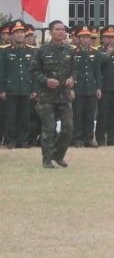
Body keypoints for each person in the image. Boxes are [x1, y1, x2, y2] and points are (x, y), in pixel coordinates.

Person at [33, 20, 75, 168]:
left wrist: (72, 80)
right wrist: (45, 81)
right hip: (47, 97)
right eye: (57, 29)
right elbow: (33, 71)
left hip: (64, 95)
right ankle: (47, 159)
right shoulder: (41, 51)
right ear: (50, 32)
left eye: (63, 30)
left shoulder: (70, 50)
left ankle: (58, 155)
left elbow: (75, 70)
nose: (61, 32)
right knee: (48, 129)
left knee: (68, 127)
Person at [3, 21, 37, 148]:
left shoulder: (31, 51)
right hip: (11, 89)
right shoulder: (4, 52)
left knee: (24, 116)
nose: (19, 35)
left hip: (26, 88)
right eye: (17, 33)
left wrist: (34, 89)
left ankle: (23, 140)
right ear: (12, 35)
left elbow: (34, 72)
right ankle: (11, 140)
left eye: (22, 32)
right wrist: (2, 90)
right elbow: (2, 71)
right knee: (10, 116)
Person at [70, 26, 102, 147]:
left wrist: (98, 88)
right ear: (78, 38)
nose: (85, 40)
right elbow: (70, 71)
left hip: (91, 87)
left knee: (90, 115)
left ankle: (88, 138)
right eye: (83, 37)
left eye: (87, 37)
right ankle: (77, 138)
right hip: (78, 88)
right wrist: (71, 89)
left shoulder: (95, 52)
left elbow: (97, 72)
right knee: (77, 115)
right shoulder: (73, 52)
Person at [96, 25, 114, 146]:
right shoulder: (98, 51)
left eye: (112, 37)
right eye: (108, 37)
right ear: (103, 38)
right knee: (103, 114)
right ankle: (101, 138)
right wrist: (107, 54)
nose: (111, 40)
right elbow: (98, 66)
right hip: (105, 88)